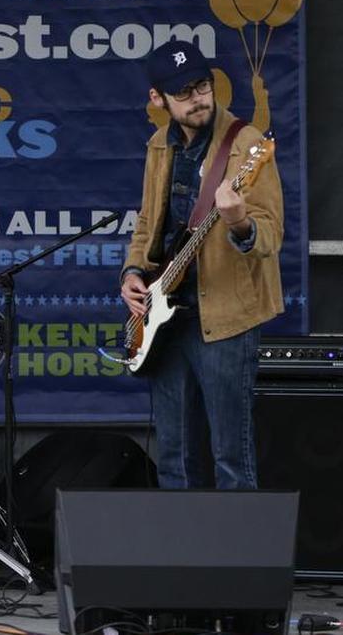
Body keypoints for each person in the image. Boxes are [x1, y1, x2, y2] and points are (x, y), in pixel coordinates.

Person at [119, 39, 284, 490]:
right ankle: (181, 555)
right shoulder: (160, 145)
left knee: (231, 456)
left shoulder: (246, 145)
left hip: (227, 317)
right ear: (158, 99)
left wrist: (239, 221)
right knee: (174, 456)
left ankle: (239, 558)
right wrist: (133, 274)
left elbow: (269, 236)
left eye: (203, 87)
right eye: (184, 93)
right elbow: (150, 223)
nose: (198, 99)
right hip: (165, 316)